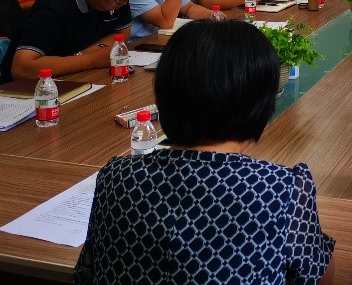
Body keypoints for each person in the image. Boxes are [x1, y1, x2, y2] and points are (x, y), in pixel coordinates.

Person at [74, 19, 335, 284]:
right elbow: (318, 276)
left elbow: (88, 272)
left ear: (165, 96)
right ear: (261, 105)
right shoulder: (284, 188)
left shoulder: (116, 177)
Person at [0, 0, 141, 82]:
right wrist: (91, 60)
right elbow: (22, 68)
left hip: (78, 76)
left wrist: (82, 56)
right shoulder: (54, 6)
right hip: (32, 89)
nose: (124, 3)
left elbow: (122, 34)